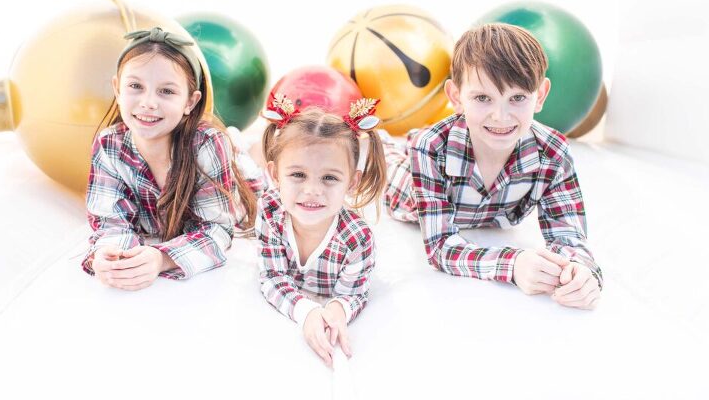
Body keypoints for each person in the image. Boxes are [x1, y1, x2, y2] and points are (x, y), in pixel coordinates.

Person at [383, 23, 602, 309]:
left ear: (541, 95)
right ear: (456, 96)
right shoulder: (431, 148)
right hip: (408, 189)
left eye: (518, 98)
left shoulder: (553, 152)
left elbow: (568, 234)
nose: (501, 116)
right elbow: (440, 247)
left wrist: (581, 271)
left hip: (454, 158)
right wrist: (513, 264)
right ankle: (380, 140)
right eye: (483, 98)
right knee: (385, 162)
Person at [82, 27, 260, 290]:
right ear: (117, 89)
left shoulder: (207, 145)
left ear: (190, 101)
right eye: (135, 86)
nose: (148, 103)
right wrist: (111, 257)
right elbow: (111, 222)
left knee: (252, 162)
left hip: (239, 180)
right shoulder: (110, 144)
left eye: (166, 91)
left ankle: (243, 145)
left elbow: (217, 230)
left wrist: (162, 257)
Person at [256, 93, 386, 366]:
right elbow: (271, 276)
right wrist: (307, 312)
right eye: (298, 175)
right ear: (276, 175)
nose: (312, 191)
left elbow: (354, 293)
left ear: (352, 182)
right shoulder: (269, 210)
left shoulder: (357, 239)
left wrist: (337, 310)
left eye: (329, 178)